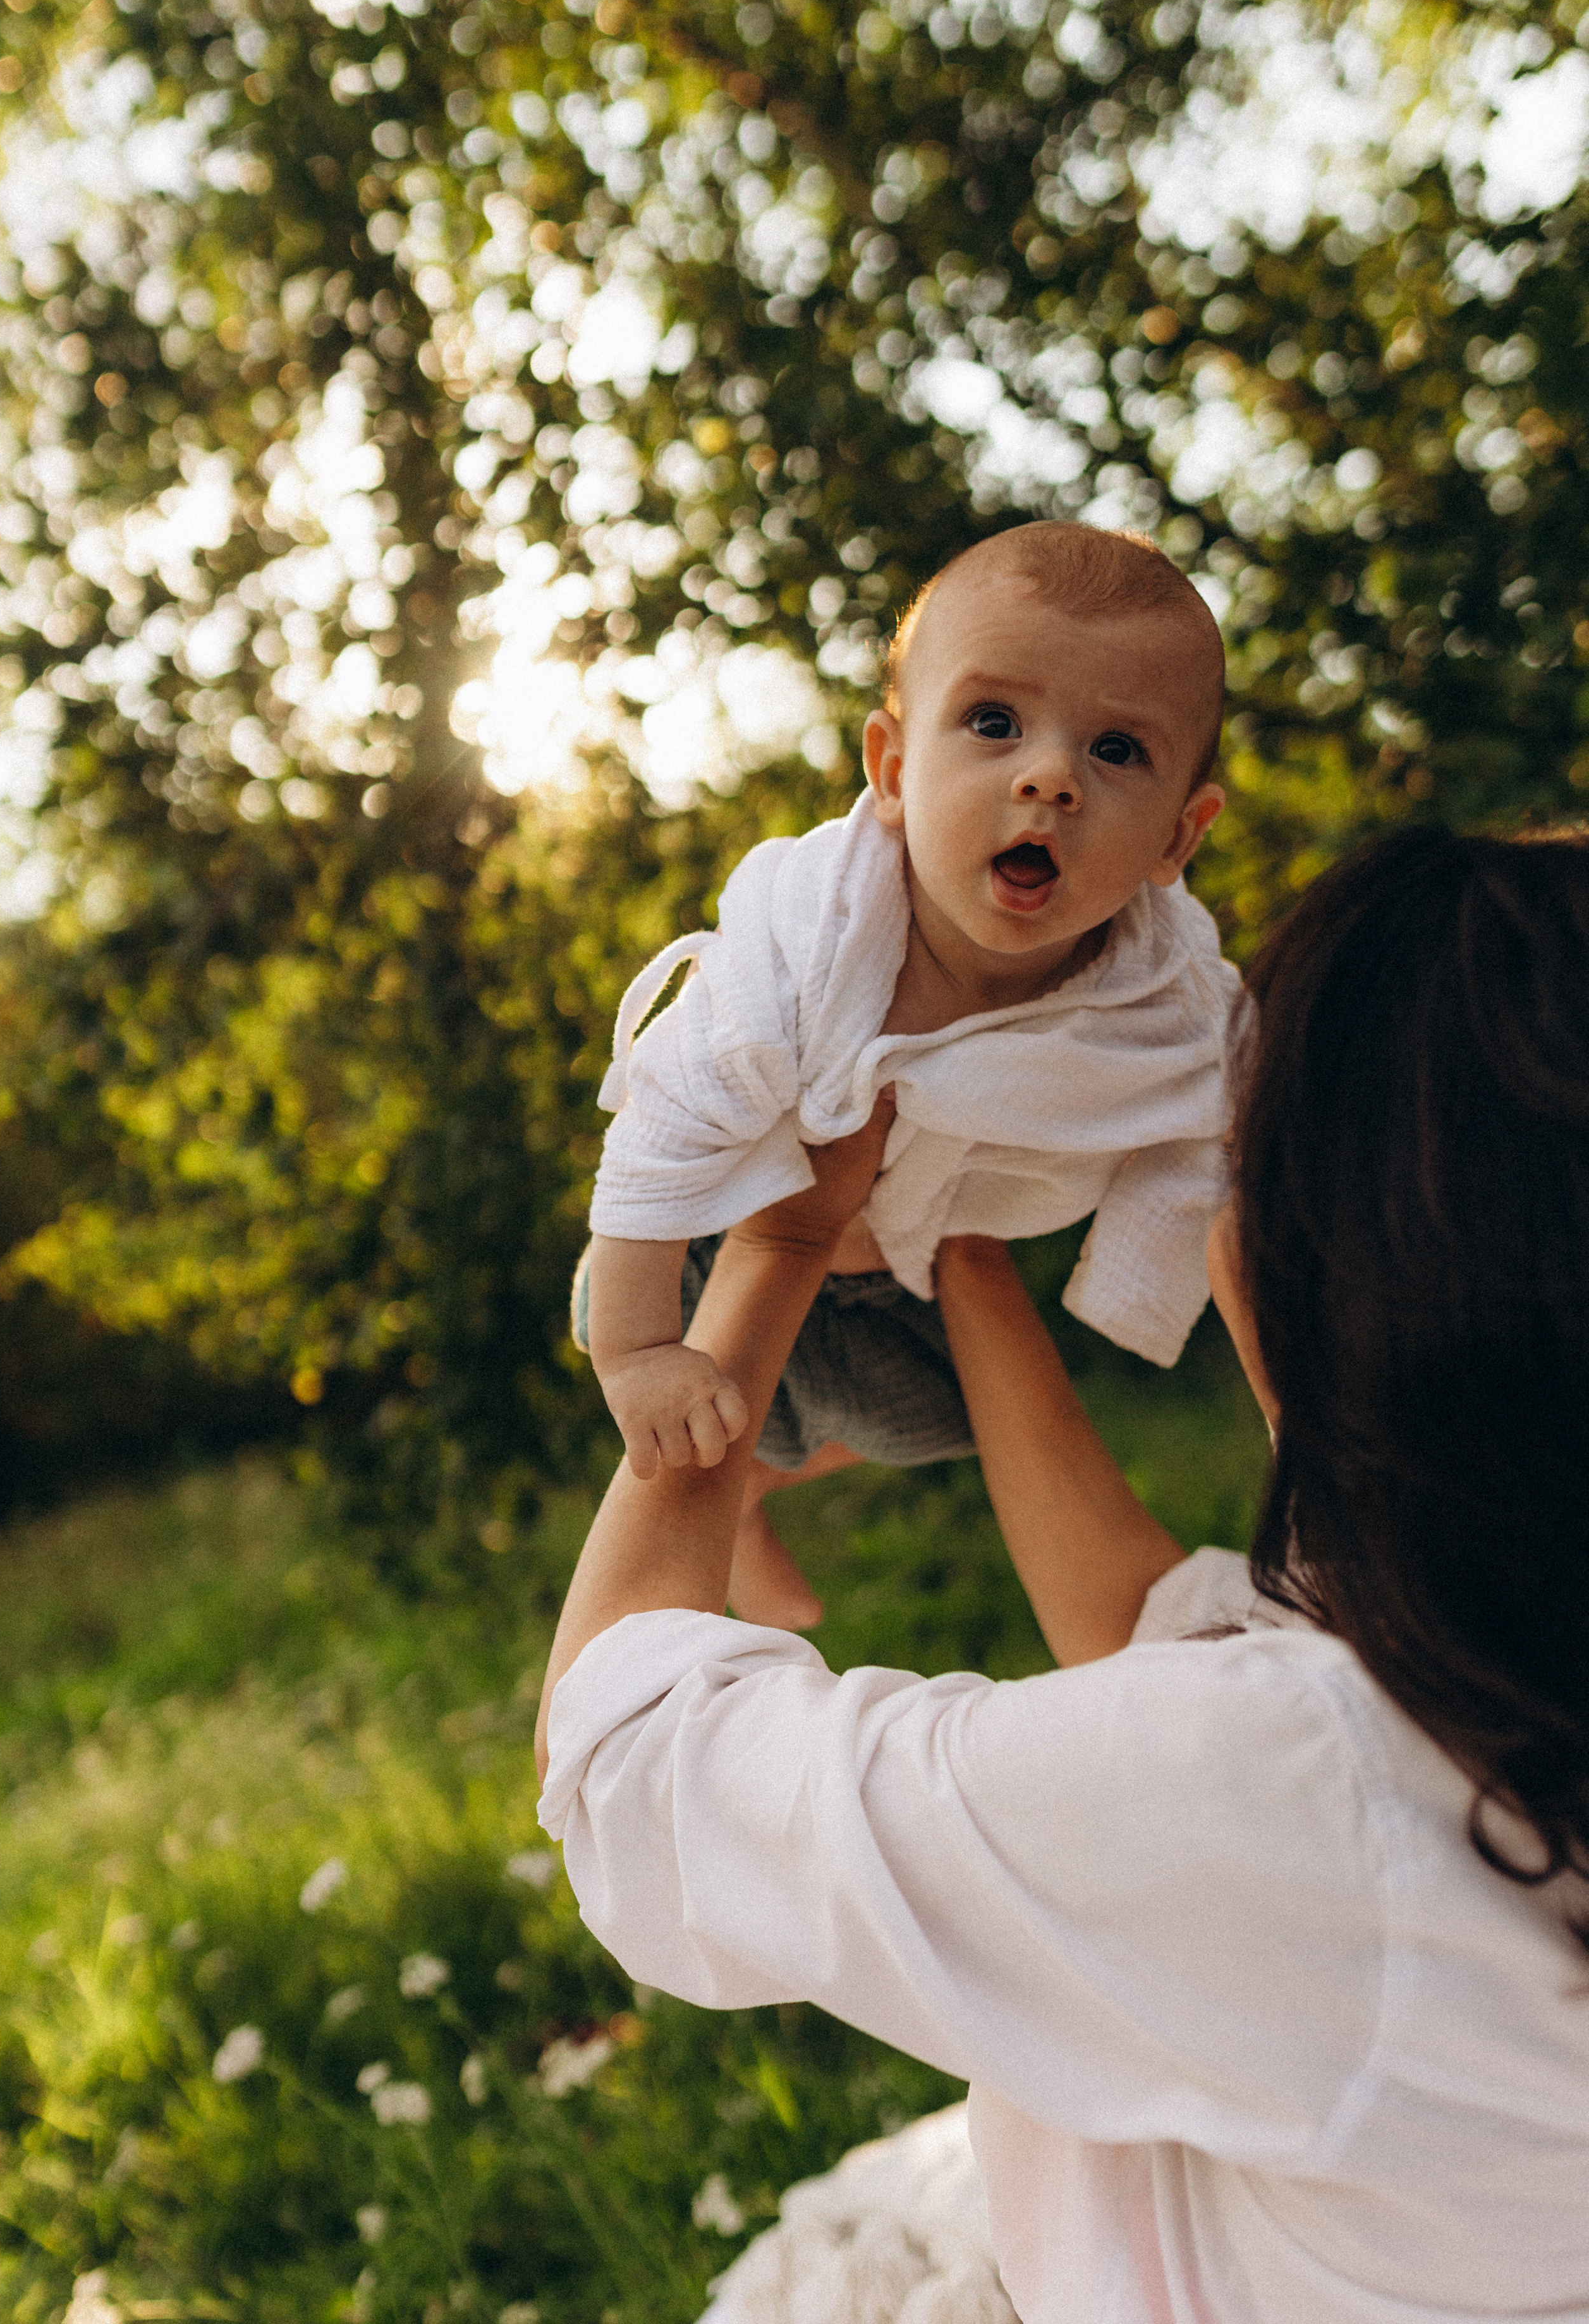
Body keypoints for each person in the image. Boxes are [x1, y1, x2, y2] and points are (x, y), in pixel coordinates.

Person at [536, 822, 1589, 2324]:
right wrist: (950, 1232)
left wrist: (780, 1242)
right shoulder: (1479, 1672)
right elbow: (1144, 1627)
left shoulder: (1318, 1791)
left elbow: (622, 1754)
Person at [575, 521, 1239, 1627]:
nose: (1049, 778)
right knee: (681, 1392)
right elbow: (668, 1118)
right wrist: (637, 1353)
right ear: (891, 768)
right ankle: (714, 1496)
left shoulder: (1166, 1001)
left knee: (963, 1415)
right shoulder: (808, 943)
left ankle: (751, 1493)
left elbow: (1219, 1117)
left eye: (1117, 751)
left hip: (908, 1284)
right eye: (994, 723)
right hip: (703, 1239)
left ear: (1181, 835)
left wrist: (1156, 1260)